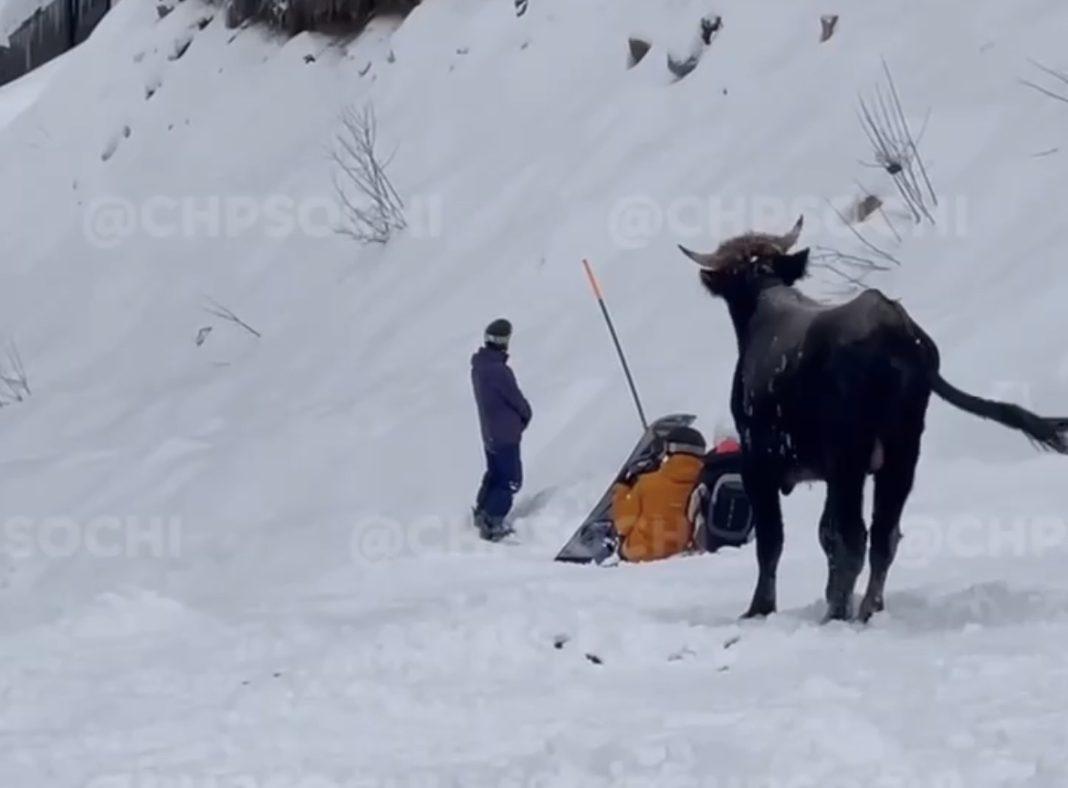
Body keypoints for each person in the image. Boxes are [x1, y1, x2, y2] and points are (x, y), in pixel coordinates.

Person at [471, 318, 532, 541]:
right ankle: (493, 521)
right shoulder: (498, 371)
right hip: (505, 434)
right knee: (510, 479)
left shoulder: (480, 366)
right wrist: (526, 415)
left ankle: (483, 510)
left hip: (490, 433)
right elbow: (516, 399)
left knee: (495, 473)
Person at [611, 426, 706, 562]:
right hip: (684, 555)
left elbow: (623, 524)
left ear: (669, 449)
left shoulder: (647, 483)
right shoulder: (702, 485)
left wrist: (622, 490)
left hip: (640, 554)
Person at [688, 427, 753, 553]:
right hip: (743, 534)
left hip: (713, 537)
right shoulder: (752, 468)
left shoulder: (709, 468)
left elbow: (694, 505)